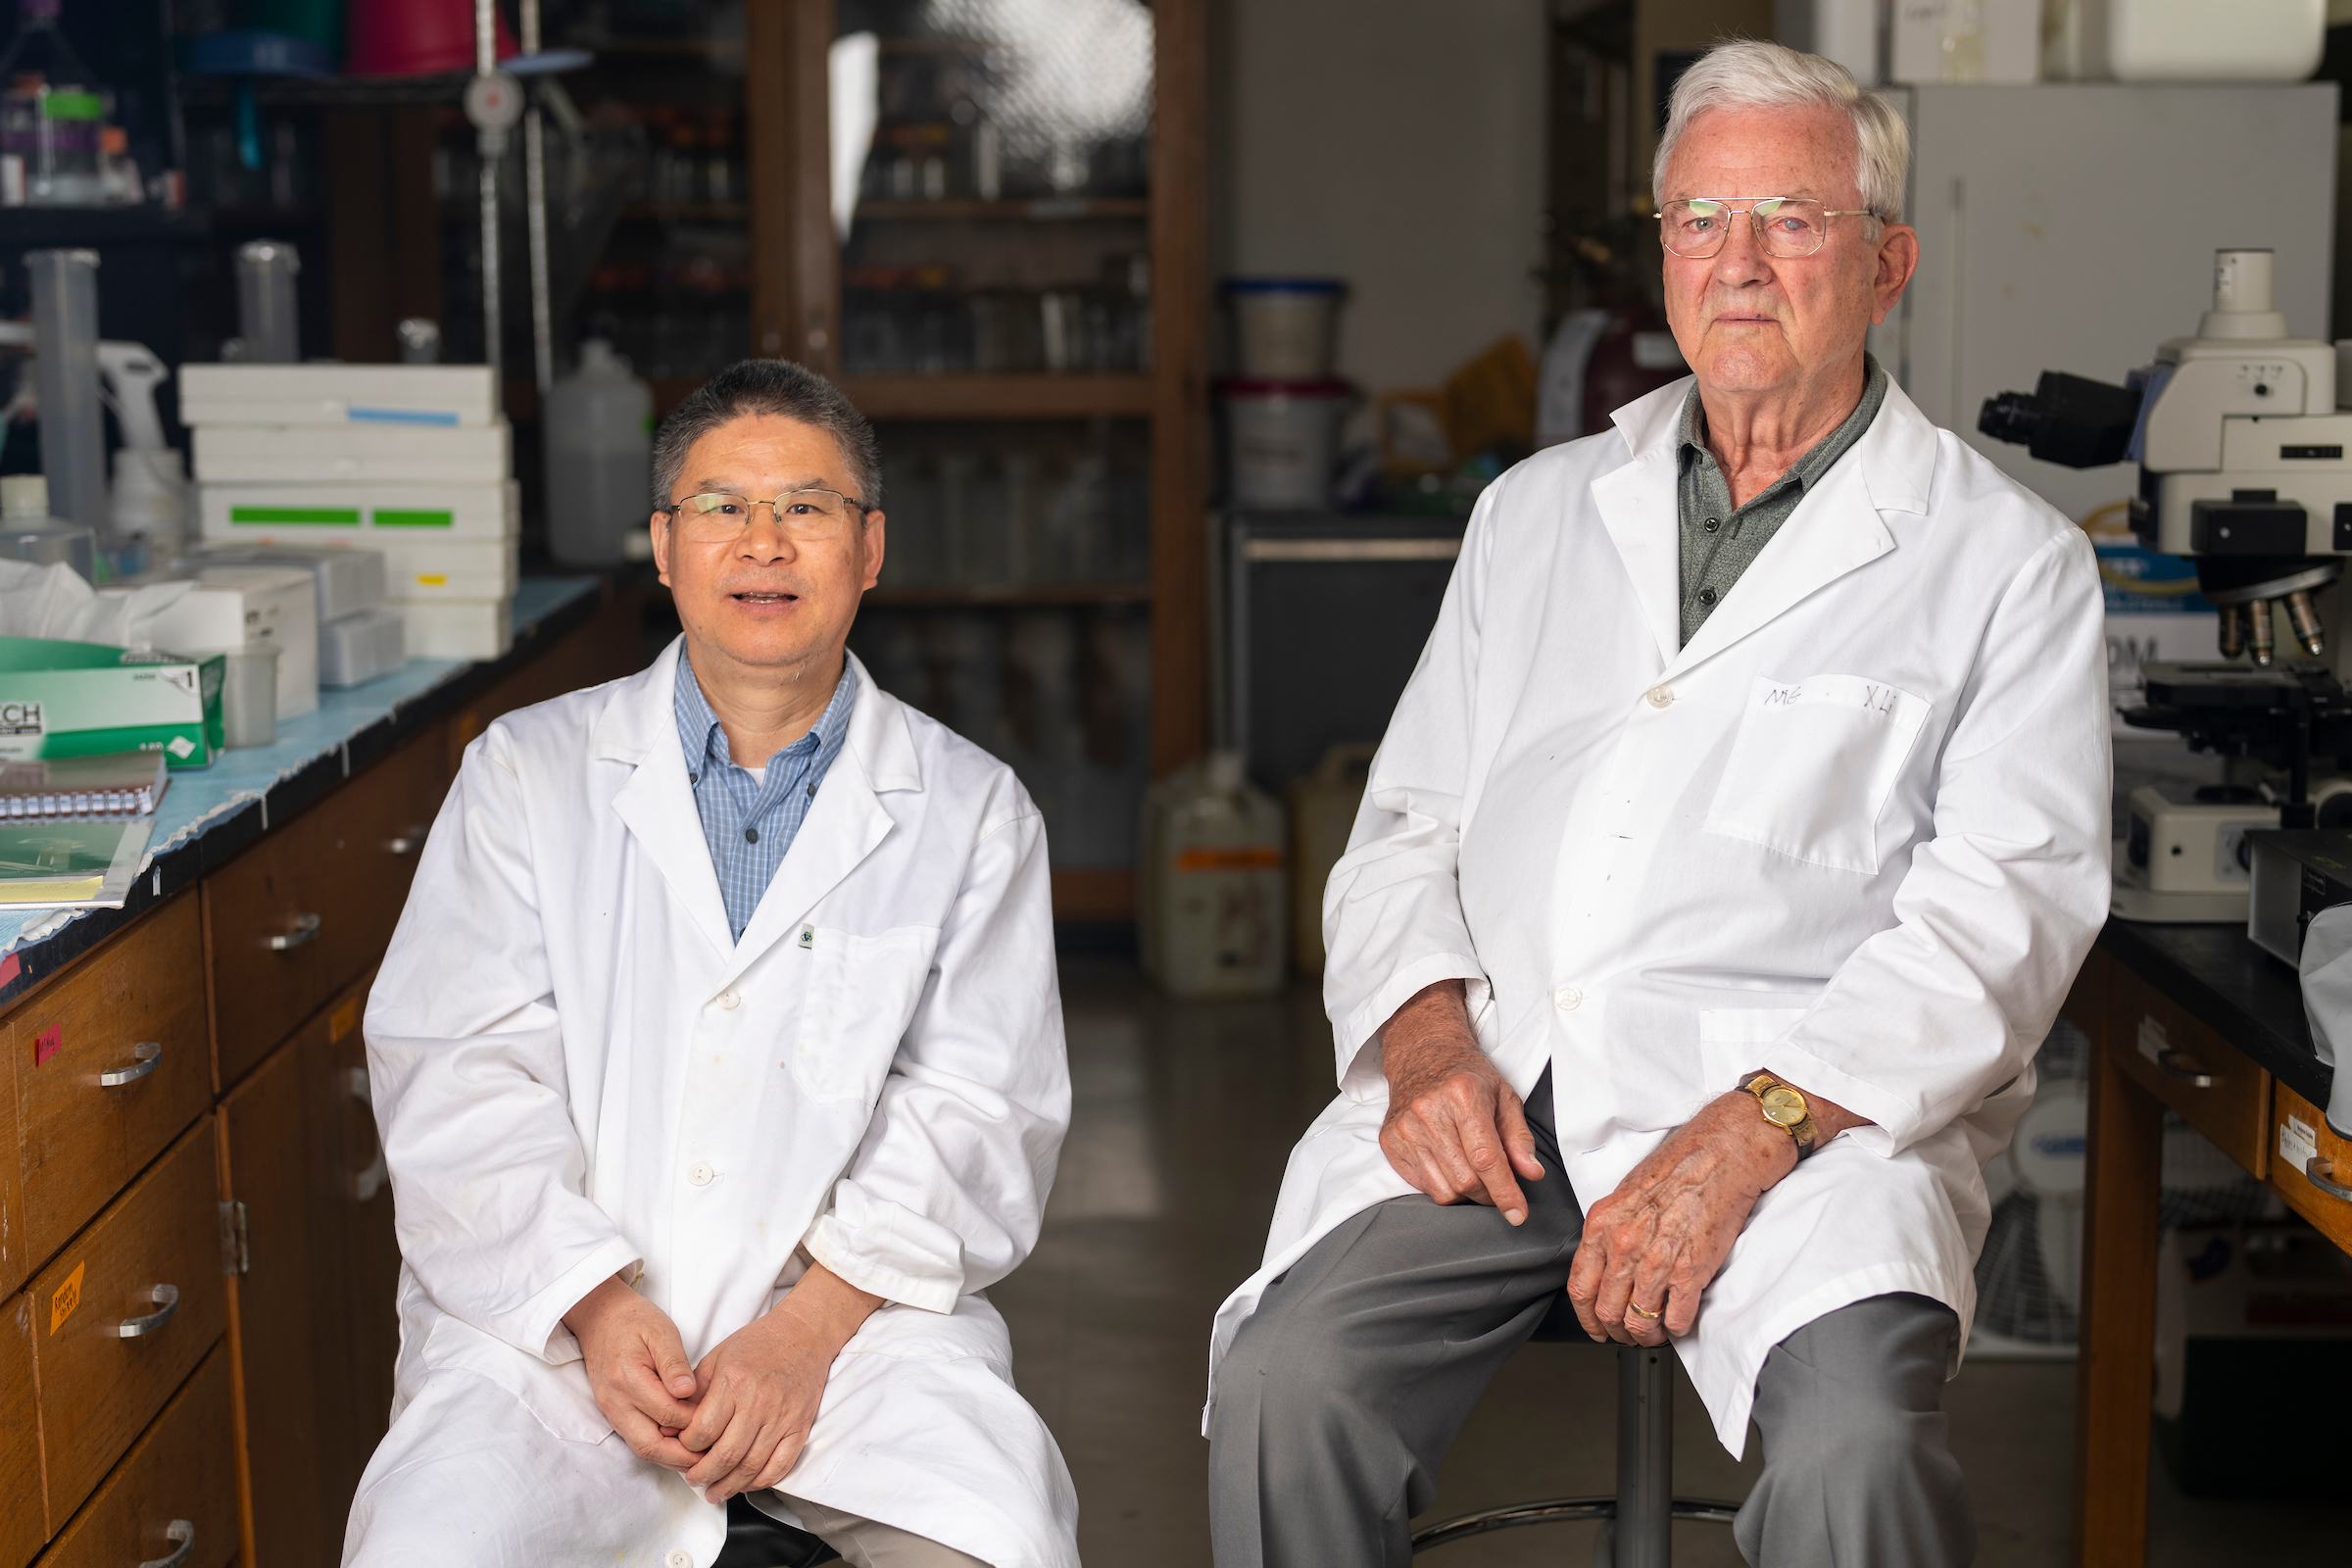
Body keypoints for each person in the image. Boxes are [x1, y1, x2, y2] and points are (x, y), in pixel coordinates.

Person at [1203, 39, 2111, 1568]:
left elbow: (2000, 926)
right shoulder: (1540, 510)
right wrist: (1426, 1046)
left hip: (1808, 1126)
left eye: (1792, 221)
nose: (1738, 264)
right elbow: (1405, 828)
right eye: (1699, 221)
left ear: (1886, 261)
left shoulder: (2006, 562)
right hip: (1503, 1098)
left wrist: (1751, 1134)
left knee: (1854, 1461)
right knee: (1291, 1388)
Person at [344, 360, 1078, 1568]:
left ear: (871, 546)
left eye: (808, 506)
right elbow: (454, 1073)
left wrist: (803, 1337)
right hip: (553, 1341)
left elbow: (980, 1111)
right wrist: (595, 1300)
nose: (765, 543)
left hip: (855, 1338)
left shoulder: (970, 808)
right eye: (723, 506)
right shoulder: (526, 777)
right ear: (665, 545)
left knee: (996, 1543)